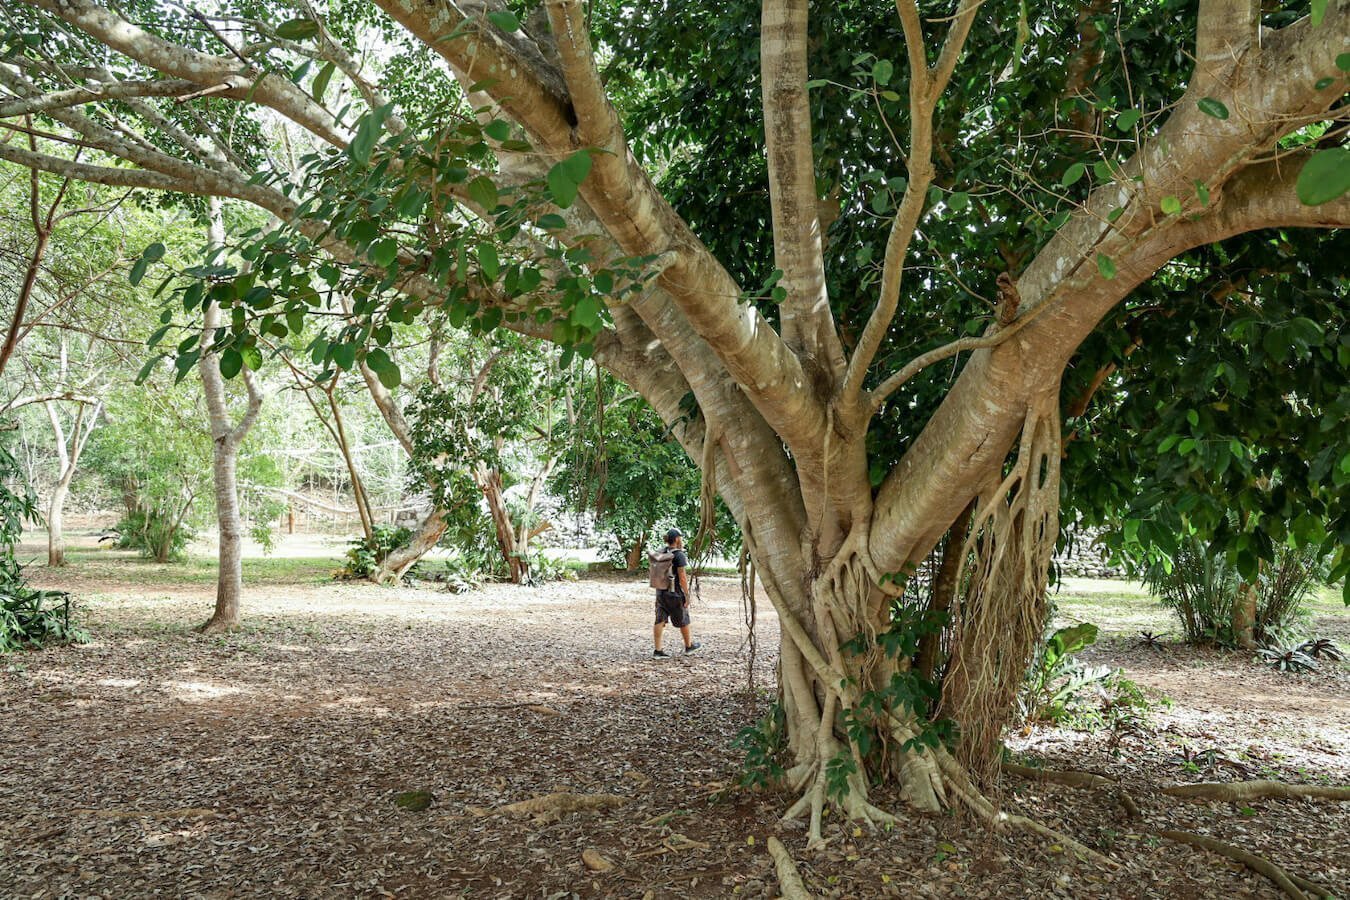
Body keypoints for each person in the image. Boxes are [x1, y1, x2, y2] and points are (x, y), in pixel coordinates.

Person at [653, 528, 701, 659]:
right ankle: (689, 646)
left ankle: (658, 650)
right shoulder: (679, 555)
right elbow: (683, 577)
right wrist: (687, 594)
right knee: (684, 618)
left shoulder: (661, 552)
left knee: (660, 619)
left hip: (660, 592)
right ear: (677, 539)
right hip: (675, 593)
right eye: (681, 537)